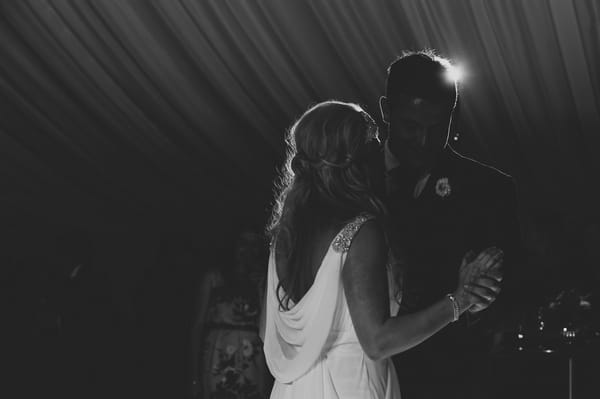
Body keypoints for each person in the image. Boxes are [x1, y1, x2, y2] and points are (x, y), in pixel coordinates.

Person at [262, 100, 504, 399]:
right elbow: (378, 342)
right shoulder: (362, 231)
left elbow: (267, 332)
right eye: (373, 144)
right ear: (354, 156)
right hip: (352, 386)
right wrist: (461, 298)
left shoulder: (286, 233)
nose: (379, 152)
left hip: (293, 389)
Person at [379, 51, 522, 399]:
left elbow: (518, 289)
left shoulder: (489, 188)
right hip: (361, 370)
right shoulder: (348, 178)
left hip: (449, 376)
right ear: (385, 110)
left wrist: (482, 301)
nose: (423, 141)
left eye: (437, 128)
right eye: (411, 126)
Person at [190, 229, 270, 399]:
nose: (248, 250)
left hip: (251, 362)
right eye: (243, 243)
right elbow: (198, 326)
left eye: (253, 244)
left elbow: (268, 328)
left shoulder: (262, 280)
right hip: (218, 358)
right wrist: (194, 375)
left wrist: (261, 289)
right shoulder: (214, 278)